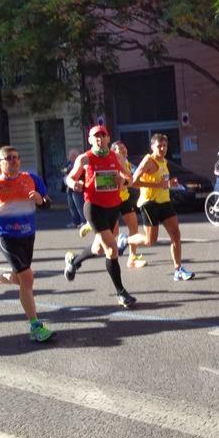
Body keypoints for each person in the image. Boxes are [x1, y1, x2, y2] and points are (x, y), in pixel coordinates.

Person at [0, 145, 54, 342]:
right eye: (8, 158)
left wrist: (40, 200)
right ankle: (35, 326)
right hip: (6, 236)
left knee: (20, 279)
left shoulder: (31, 179)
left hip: (28, 235)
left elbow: (48, 203)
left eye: (16, 157)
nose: (14, 161)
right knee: (27, 279)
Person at [63, 125, 137, 308]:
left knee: (98, 249)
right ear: (90, 139)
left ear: (108, 138)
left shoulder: (115, 156)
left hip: (113, 207)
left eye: (103, 136)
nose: (100, 139)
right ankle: (121, 293)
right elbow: (69, 178)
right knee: (111, 249)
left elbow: (130, 177)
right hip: (94, 208)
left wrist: (124, 181)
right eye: (96, 136)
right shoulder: (85, 158)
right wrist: (75, 184)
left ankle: (74, 261)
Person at [117, 133, 194, 281]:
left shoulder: (164, 162)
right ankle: (125, 240)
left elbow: (163, 182)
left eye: (165, 146)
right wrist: (158, 185)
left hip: (164, 201)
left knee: (176, 236)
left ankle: (178, 269)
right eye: (159, 146)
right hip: (149, 203)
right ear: (152, 147)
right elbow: (133, 182)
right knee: (150, 241)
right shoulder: (148, 160)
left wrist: (171, 183)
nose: (163, 148)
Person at [111, 141, 147, 268]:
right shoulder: (112, 162)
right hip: (113, 200)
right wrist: (126, 181)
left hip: (125, 199)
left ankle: (132, 258)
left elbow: (131, 179)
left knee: (134, 227)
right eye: (121, 149)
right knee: (113, 233)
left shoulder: (126, 163)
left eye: (125, 148)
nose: (124, 151)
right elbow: (121, 181)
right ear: (114, 151)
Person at [63, 148, 85, 229]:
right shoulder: (68, 164)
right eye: (70, 155)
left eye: (74, 155)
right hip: (69, 188)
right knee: (72, 206)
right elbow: (64, 172)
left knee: (80, 205)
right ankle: (75, 222)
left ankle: (84, 222)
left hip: (77, 188)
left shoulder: (80, 163)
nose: (72, 157)